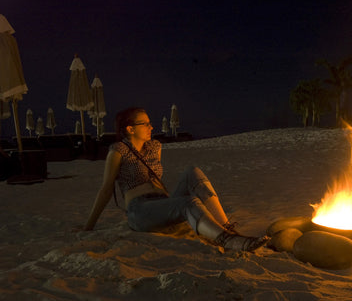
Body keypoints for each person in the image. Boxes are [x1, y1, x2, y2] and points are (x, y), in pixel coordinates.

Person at [84, 107, 269, 252]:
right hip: (139, 210)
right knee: (189, 202)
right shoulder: (118, 150)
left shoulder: (154, 147)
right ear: (130, 129)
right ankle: (227, 240)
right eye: (145, 124)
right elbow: (106, 188)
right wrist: (88, 226)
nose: (151, 127)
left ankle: (227, 228)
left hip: (162, 204)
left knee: (192, 171)